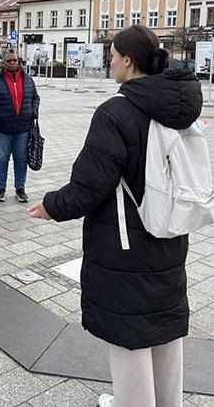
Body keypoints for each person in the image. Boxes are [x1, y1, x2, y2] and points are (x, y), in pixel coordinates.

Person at [28, 25, 202, 407]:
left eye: (112, 55)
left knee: (128, 333)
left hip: (125, 240)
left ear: (127, 60)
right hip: (170, 231)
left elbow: (91, 184)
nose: (109, 61)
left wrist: (52, 206)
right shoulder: (179, 109)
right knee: (163, 326)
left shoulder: (116, 112)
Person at [0, 49, 40, 203]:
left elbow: (35, 97)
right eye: (9, 61)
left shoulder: (27, 78)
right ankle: (1, 189)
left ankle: (20, 189)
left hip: (23, 127)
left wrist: (33, 111)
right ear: (3, 62)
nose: (13, 63)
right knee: (1, 158)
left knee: (21, 159)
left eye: (15, 60)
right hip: (2, 128)